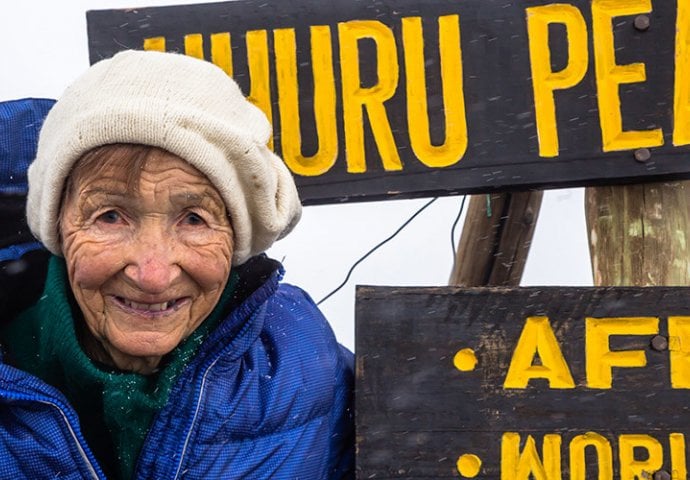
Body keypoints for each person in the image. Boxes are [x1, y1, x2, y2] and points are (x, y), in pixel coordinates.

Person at [0, 50, 353, 479]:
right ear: (57, 225)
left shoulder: (300, 361)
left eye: (194, 219)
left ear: (239, 239)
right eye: (109, 216)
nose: (153, 274)